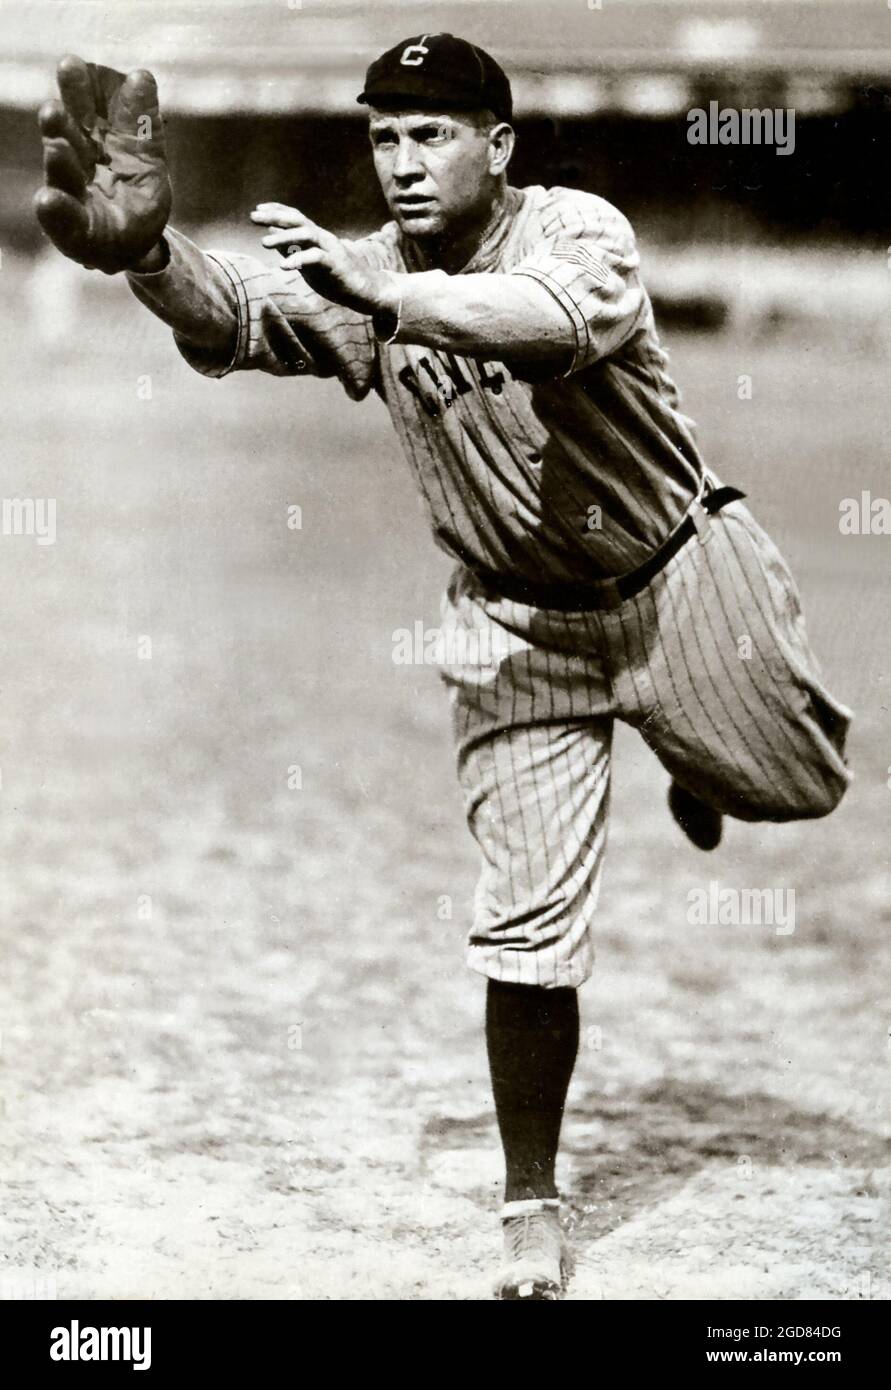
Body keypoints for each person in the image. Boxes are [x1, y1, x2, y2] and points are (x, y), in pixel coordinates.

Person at [35, 34, 852, 1300]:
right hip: (520, 628)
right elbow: (245, 314)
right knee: (525, 923)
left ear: (499, 145)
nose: (402, 162)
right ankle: (532, 1201)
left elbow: (552, 323)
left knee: (802, 785)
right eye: (383, 135)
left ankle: (700, 757)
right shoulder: (367, 270)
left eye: (431, 134)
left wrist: (394, 306)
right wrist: (148, 257)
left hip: (679, 581)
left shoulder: (574, 228)